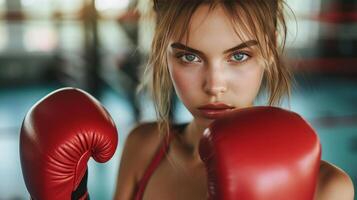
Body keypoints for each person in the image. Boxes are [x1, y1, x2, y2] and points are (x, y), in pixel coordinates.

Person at [114, 1, 354, 199]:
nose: (215, 86)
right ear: (162, 51)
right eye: (189, 57)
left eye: (239, 56)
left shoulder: (327, 188)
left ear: (270, 48)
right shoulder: (143, 148)